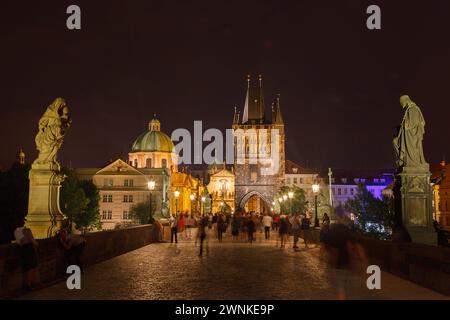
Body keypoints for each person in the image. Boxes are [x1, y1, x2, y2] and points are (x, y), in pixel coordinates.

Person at [14, 219, 41, 290]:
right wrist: (36, 244)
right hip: (29, 248)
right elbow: (32, 240)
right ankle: (32, 283)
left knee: (26, 268)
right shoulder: (26, 230)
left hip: (22, 249)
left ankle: (27, 284)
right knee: (32, 267)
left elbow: (19, 242)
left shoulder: (16, 231)